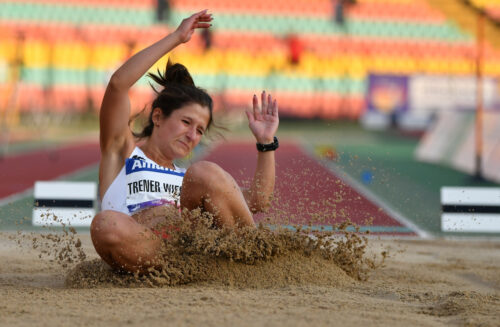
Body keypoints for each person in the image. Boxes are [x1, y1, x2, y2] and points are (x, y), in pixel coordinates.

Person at [90, 10, 280, 273]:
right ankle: (191, 269)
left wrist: (266, 143)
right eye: (186, 123)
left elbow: (258, 202)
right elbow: (118, 85)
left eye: (201, 130)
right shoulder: (122, 150)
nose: (193, 136)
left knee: (205, 172)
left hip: (192, 247)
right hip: (148, 250)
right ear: (158, 116)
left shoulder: (190, 180)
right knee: (105, 225)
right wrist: (176, 38)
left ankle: (254, 264)